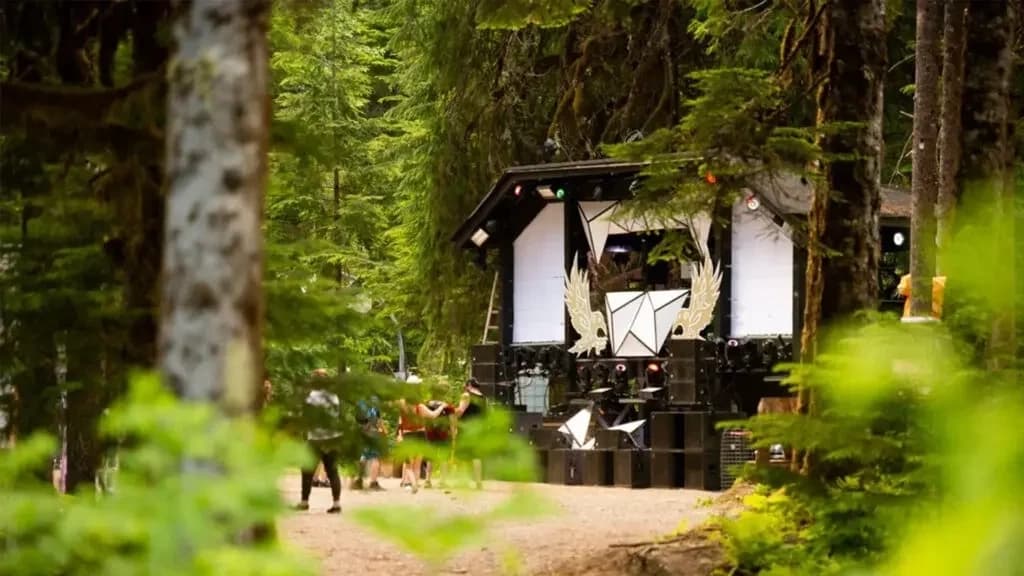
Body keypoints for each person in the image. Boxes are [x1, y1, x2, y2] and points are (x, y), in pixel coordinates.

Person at [296, 369, 343, 514]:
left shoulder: (312, 396)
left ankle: (304, 502)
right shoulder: (334, 396)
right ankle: (336, 503)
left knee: (307, 470)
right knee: (332, 471)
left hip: (316, 438)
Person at [396, 398, 446, 493]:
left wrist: (399, 434)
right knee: (417, 464)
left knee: (409, 465)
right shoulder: (420, 407)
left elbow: (400, 422)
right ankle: (416, 484)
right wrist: (442, 407)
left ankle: (412, 484)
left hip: (408, 435)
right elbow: (433, 415)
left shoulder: (402, 405)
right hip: (420, 435)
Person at [454, 378, 487, 490]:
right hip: (478, 429)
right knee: (476, 456)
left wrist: (451, 412)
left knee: (462, 455)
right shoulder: (483, 397)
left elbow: (460, 411)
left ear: (468, 385)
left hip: (466, 428)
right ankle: (478, 482)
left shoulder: (466, 396)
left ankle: (463, 481)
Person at [353, 397, 385, 491]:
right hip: (373, 432)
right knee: (375, 457)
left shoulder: (360, 402)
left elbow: (357, 419)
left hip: (363, 431)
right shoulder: (375, 400)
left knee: (363, 456)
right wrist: (382, 430)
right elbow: (378, 420)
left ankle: (359, 480)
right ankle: (373, 483)